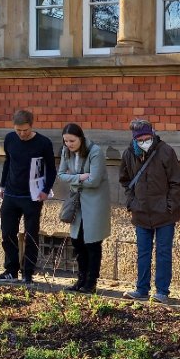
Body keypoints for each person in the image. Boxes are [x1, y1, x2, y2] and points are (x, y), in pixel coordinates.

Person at [119, 119, 180, 303]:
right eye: (140, 139)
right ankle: (142, 289)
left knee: (163, 252)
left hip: (164, 213)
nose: (144, 141)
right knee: (143, 252)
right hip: (141, 212)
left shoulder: (165, 151)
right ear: (134, 139)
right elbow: (125, 180)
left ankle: (162, 291)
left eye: (147, 137)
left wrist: (169, 205)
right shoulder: (129, 154)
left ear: (153, 134)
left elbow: (176, 182)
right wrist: (132, 202)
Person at [0, 109, 56, 285]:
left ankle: (28, 273)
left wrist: (46, 189)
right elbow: (8, 162)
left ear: (31, 125)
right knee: (7, 233)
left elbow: (51, 169)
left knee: (31, 235)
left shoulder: (43, 143)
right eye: (18, 130)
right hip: (11, 194)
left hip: (32, 196)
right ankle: (11, 270)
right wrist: (2, 185)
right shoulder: (10, 139)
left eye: (25, 131)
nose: (21, 134)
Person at [58, 123, 111, 294]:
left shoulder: (94, 152)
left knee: (92, 243)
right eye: (66, 141)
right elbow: (61, 175)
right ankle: (80, 279)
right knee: (77, 241)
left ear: (80, 137)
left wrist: (72, 179)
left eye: (72, 141)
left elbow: (95, 181)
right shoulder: (66, 151)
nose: (69, 144)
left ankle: (91, 282)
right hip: (77, 202)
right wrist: (80, 177)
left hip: (94, 202)